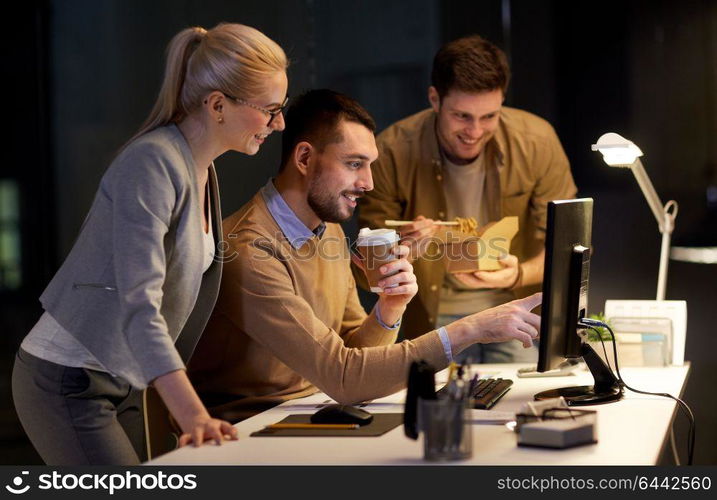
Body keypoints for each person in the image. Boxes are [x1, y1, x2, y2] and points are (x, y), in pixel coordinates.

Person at [12, 23, 289, 465]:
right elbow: (137, 302)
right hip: (69, 378)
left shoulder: (202, 169)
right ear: (218, 105)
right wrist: (192, 414)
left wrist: (178, 410)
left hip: (123, 379)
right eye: (271, 109)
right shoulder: (152, 162)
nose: (279, 124)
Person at [187, 89, 541, 415]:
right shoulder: (250, 251)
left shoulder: (329, 231)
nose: (368, 183)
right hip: (252, 431)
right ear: (305, 157)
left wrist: (390, 307)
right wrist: (471, 329)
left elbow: (356, 352)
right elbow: (346, 377)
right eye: (355, 164)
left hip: (314, 410)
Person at [356, 35, 577, 363]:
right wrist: (403, 247)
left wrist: (518, 274)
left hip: (518, 309)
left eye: (489, 116)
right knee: (440, 409)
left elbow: (567, 246)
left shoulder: (537, 141)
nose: (475, 131)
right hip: (436, 321)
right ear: (435, 99)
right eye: (462, 116)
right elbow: (367, 271)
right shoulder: (390, 151)